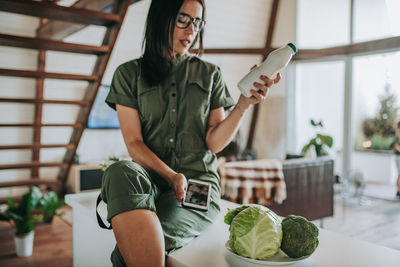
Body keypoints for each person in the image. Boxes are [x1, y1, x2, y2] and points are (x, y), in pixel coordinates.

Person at [100, 0, 280, 266]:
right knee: (118, 171)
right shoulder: (128, 74)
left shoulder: (210, 74)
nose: (192, 30)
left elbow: (214, 143)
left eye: (197, 22)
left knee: (138, 243)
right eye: (184, 20)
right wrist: (171, 176)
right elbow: (134, 143)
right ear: (162, 19)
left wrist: (243, 104)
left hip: (198, 186)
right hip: (150, 181)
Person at [391, 119, 400, 198]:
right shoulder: (397, 137)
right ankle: (398, 191)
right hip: (398, 157)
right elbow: (395, 146)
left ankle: (398, 191)